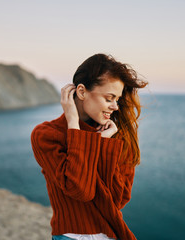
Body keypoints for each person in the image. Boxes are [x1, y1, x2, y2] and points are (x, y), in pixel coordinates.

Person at [31, 53, 147, 240]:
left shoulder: (118, 136)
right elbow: (80, 190)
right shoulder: (46, 135)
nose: (115, 106)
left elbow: (118, 200)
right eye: (109, 98)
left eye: (117, 99)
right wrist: (74, 126)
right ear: (82, 92)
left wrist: (104, 144)